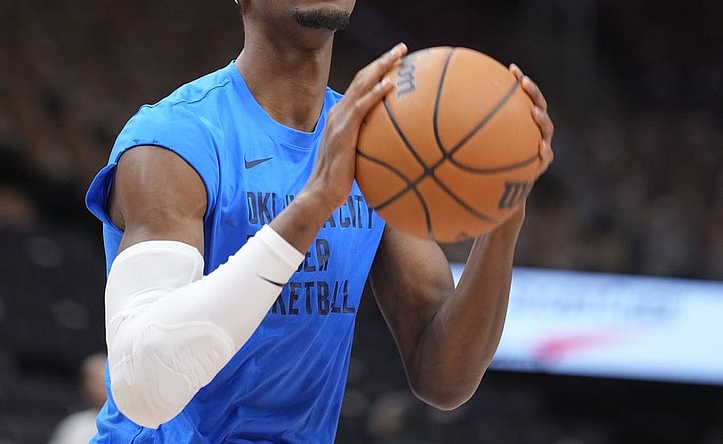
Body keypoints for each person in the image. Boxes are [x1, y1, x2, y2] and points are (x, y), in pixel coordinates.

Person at [84, 0, 554, 442]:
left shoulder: (380, 145)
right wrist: (313, 204)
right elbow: (143, 386)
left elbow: (444, 378)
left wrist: (503, 215)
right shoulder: (173, 142)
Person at [48, 353, 107, 444]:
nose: (102, 387)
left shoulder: (133, 422)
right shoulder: (76, 426)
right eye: (96, 382)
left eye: (106, 380)